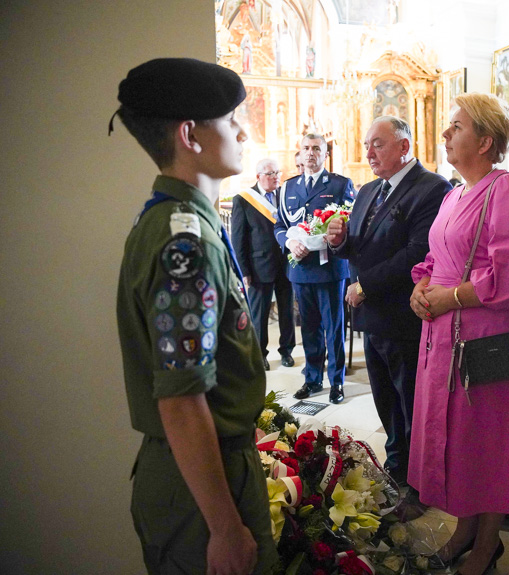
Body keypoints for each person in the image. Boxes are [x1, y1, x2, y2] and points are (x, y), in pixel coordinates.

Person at [113, 58, 276, 575]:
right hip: (203, 487)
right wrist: (226, 528)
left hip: (198, 472)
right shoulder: (185, 241)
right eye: (231, 120)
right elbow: (183, 398)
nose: (243, 131)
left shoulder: (174, 222)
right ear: (191, 135)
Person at [408, 93, 509, 575]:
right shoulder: (453, 193)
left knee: (487, 442)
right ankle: (464, 528)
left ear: (485, 141)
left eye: (456, 127)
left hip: (487, 339)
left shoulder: (508, 191)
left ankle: (488, 544)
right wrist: (421, 287)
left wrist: (453, 297)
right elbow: (436, 258)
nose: (445, 134)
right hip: (444, 336)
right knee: (460, 441)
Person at [326, 116, 450, 484]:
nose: (368, 153)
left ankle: (417, 482)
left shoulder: (431, 188)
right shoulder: (367, 190)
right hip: (372, 318)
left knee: (411, 404)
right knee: (385, 403)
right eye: (367, 145)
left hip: (403, 318)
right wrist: (339, 242)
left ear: (404, 146)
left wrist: (364, 286)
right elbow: (360, 246)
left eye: (377, 144)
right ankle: (396, 468)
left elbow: (417, 253)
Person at [275, 133, 355, 403]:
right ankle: (312, 379)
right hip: (300, 269)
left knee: (333, 328)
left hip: (330, 269)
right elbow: (280, 227)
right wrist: (290, 242)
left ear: (325, 154)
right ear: (300, 152)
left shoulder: (340, 184)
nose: (310, 153)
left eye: (316, 149)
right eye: (306, 148)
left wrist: (326, 239)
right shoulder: (288, 187)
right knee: (308, 327)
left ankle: (336, 382)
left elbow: (349, 224)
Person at [231, 158, 296, 370]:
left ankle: (287, 351)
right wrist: (244, 271)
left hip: (286, 264)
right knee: (259, 315)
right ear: (258, 176)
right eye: (270, 174)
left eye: (277, 172)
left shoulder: (285, 195)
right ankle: (260, 354)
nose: (276, 177)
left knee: (287, 311)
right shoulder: (244, 200)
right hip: (259, 267)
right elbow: (238, 239)